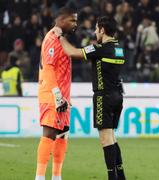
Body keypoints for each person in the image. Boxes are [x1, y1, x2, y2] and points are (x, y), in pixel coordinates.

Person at [53, 16, 126, 180]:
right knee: (112, 137)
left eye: (96, 28)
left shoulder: (98, 48)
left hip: (103, 97)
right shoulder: (120, 49)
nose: (94, 31)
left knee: (105, 139)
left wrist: (60, 36)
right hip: (117, 96)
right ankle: (121, 175)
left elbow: (72, 52)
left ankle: (112, 177)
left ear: (102, 29)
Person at [35, 7, 77, 180]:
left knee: (63, 133)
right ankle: (39, 177)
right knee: (50, 134)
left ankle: (56, 177)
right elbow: (49, 69)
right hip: (53, 95)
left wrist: (65, 97)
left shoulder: (61, 39)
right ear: (61, 19)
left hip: (62, 96)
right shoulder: (52, 39)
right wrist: (58, 96)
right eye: (72, 20)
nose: (76, 24)